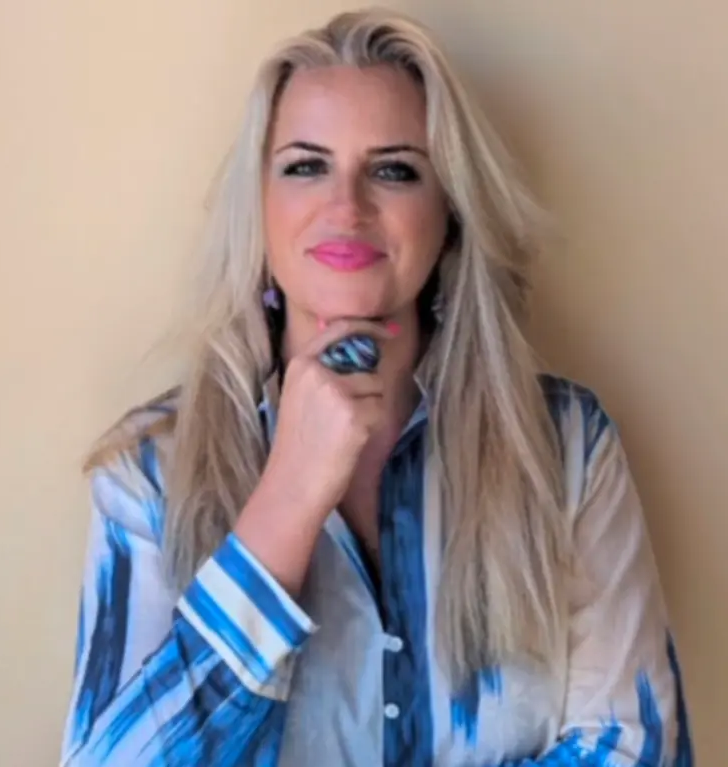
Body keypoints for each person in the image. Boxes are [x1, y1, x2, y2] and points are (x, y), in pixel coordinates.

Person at [60, 8, 693, 766]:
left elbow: (632, 750)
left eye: (393, 169)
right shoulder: (149, 473)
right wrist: (288, 498)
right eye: (305, 166)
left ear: (449, 212)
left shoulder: (566, 451)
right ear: (258, 209)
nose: (346, 207)